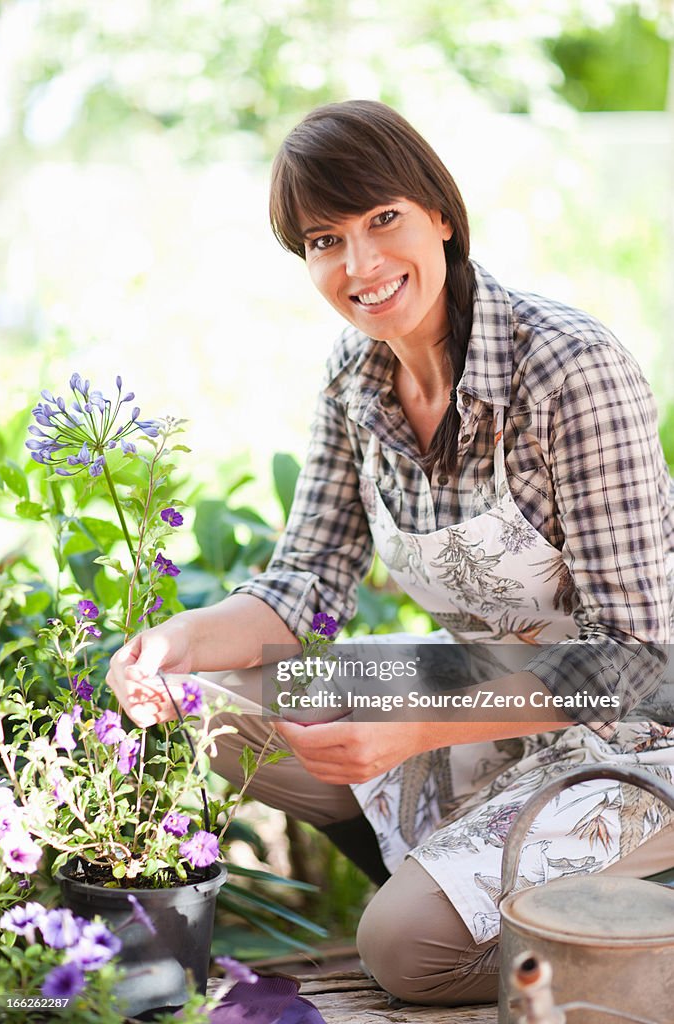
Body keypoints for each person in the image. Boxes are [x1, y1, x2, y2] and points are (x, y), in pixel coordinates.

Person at [107, 100, 674, 1007]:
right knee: (215, 708)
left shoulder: (567, 367)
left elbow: (636, 665)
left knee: (405, 954)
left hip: (642, 728)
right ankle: (465, 875)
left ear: (440, 215)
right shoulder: (354, 375)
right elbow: (303, 584)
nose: (361, 265)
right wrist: (178, 641)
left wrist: (411, 729)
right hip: (490, 692)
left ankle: (608, 916)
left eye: (383, 220)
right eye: (325, 239)